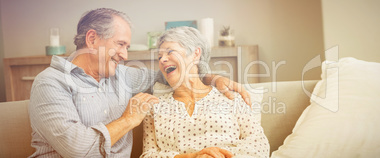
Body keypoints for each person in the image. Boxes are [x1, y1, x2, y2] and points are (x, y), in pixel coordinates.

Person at [29, 8, 250, 157]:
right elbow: (77, 149)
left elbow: (175, 75)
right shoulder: (51, 83)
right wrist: (127, 120)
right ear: (92, 40)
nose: (125, 55)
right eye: (121, 44)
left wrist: (213, 78)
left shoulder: (123, 76)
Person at [140, 26, 269, 158]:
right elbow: (148, 155)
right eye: (159, 56)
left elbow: (258, 144)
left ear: (196, 54)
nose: (162, 60)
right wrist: (192, 157)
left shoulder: (230, 98)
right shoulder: (154, 107)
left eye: (170, 52)